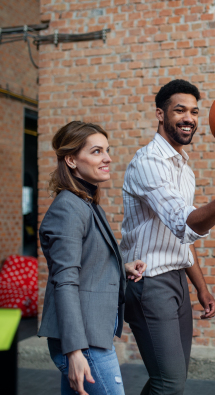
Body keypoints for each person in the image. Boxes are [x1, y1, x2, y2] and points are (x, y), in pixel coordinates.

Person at [121, 79, 215, 395]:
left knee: (171, 381)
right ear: (160, 114)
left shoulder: (184, 168)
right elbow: (183, 224)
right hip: (149, 281)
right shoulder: (149, 162)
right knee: (170, 384)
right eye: (180, 110)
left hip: (177, 280)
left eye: (194, 111)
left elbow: (181, 239)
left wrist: (201, 288)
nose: (189, 118)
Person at [38, 121, 147, 395]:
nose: (108, 158)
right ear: (72, 160)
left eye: (106, 150)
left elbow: (85, 261)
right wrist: (74, 352)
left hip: (91, 335)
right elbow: (65, 282)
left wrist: (121, 267)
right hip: (83, 341)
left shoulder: (85, 202)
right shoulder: (69, 209)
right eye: (97, 151)